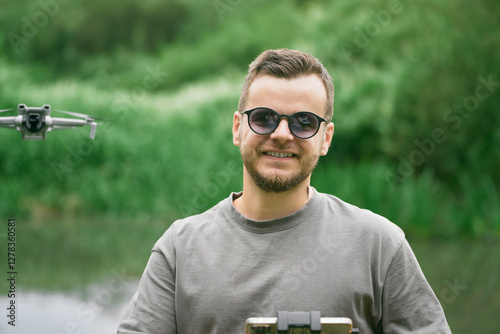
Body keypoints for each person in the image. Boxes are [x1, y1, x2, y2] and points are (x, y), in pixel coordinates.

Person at [117, 49, 451, 334]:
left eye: (303, 122)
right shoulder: (179, 248)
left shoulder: (380, 245)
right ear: (238, 128)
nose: (281, 134)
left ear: (326, 138)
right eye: (263, 118)